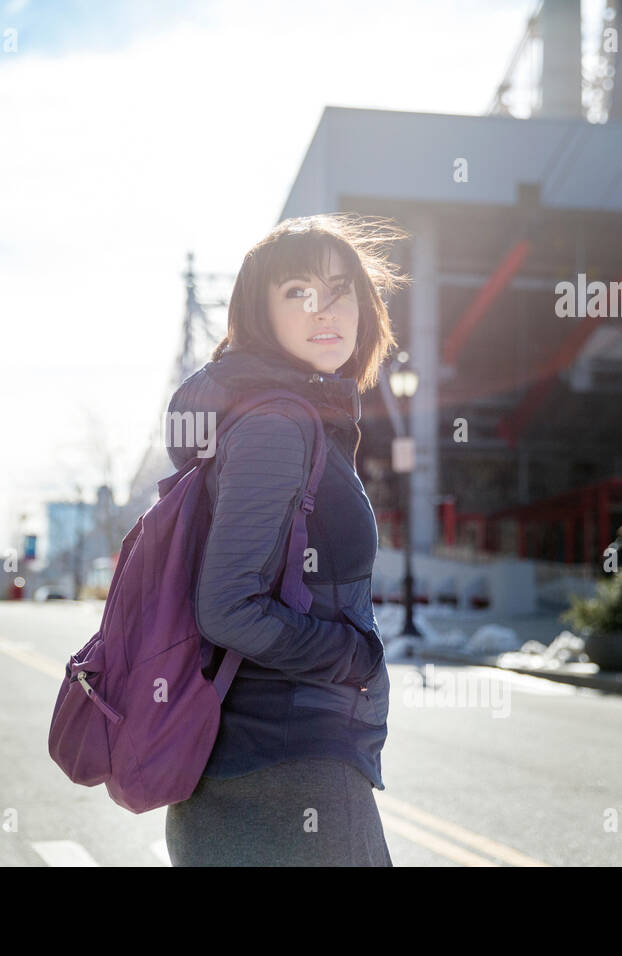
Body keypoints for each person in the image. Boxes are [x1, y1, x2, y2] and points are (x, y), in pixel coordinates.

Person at [162, 214, 405, 866]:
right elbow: (227, 606)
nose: (326, 310)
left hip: (244, 762)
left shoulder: (279, 414)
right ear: (259, 313)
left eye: (341, 288)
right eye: (298, 291)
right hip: (293, 766)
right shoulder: (275, 426)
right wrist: (352, 657)